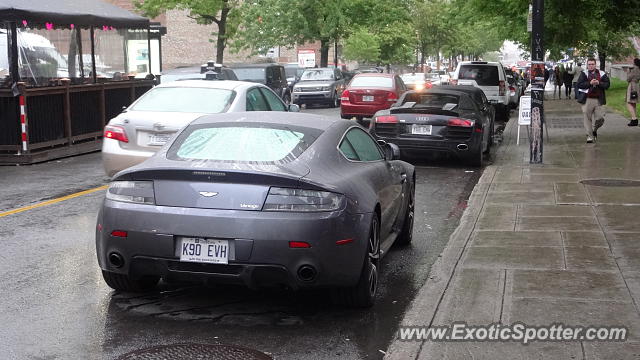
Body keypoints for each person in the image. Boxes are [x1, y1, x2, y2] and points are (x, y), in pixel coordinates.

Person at [577, 58, 610, 143]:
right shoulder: (584, 73)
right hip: (587, 99)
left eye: (592, 64)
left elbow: (607, 85)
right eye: (589, 64)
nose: (591, 66)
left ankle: (594, 130)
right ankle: (589, 136)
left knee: (600, 118)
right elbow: (579, 85)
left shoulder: (602, 73)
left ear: (595, 65)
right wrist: (589, 83)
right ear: (587, 65)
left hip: (598, 99)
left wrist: (599, 83)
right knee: (587, 118)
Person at [626, 58, 640, 126]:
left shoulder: (633, 69)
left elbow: (628, 79)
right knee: (633, 103)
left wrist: (628, 71)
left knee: (628, 103)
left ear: (634, 62)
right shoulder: (639, 68)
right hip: (637, 85)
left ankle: (634, 119)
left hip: (632, 86)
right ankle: (633, 118)